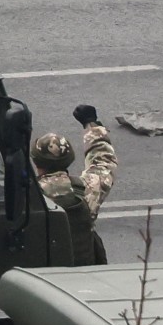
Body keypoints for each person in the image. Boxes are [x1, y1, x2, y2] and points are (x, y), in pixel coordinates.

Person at [32, 105, 119, 265]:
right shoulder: (87, 188)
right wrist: (91, 124)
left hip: (43, 278)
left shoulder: (29, 196)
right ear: (69, 159)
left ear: (36, 161)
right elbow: (104, 160)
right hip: (83, 276)